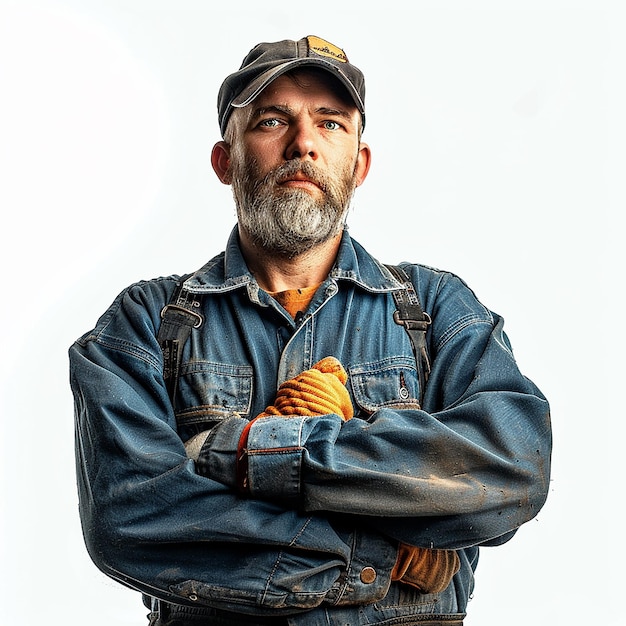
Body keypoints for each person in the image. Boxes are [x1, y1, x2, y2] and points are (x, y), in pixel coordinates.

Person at [69, 35, 552, 626]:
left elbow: (510, 470)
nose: (304, 144)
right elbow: (129, 518)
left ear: (360, 164)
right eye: (273, 121)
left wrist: (241, 454)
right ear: (225, 160)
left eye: (330, 123)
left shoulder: (435, 311)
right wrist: (374, 553)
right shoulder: (145, 324)